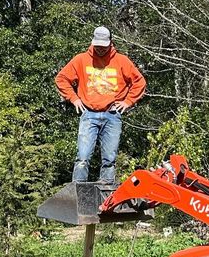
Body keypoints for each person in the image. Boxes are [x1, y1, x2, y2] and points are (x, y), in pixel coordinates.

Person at [55, 26, 146, 184]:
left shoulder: (121, 61)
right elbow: (62, 78)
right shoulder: (81, 59)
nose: (100, 50)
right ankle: (78, 193)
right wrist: (74, 98)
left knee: (109, 159)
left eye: (103, 47)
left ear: (110, 43)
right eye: (97, 46)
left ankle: (106, 194)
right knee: (82, 157)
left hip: (112, 114)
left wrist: (128, 102)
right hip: (88, 113)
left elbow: (139, 82)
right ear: (93, 43)